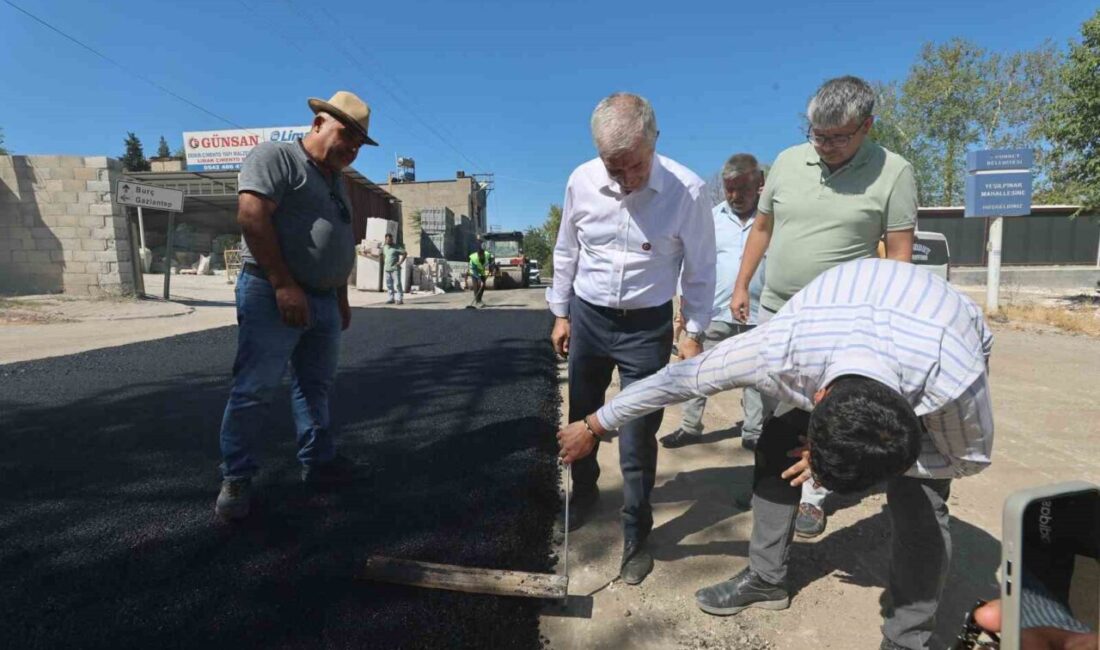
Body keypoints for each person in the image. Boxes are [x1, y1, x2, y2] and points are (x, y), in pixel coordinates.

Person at [558, 258, 994, 650]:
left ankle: (906, 638)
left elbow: (967, 459)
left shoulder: (953, 378)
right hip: (835, 326)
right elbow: (678, 381)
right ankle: (767, 579)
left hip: (933, 329)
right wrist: (594, 424)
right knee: (774, 448)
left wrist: (888, 464)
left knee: (921, 504)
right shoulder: (776, 351)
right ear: (817, 397)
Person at [729, 75, 918, 539]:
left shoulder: (894, 173)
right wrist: (741, 284)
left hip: (841, 321)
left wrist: (885, 322)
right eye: (818, 135)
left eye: (839, 137)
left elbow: (898, 256)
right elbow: (762, 230)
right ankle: (772, 487)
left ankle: (814, 494)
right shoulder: (789, 164)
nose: (826, 146)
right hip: (775, 311)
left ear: (868, 126)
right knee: (772, 407)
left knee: (823, 412)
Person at [547, 92, 715, 586]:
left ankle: (637, 534)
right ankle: (584, 493)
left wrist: (694, 332)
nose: (624, 180)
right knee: (582, 415)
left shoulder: (687, 190)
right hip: (589, 318)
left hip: (647, 327)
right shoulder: (581, 180)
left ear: (654, 140)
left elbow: (701, 269)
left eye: (634, 167)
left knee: (638, 437)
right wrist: (560, 313)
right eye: (613, 169)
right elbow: (565, 249)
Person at [214, 91, 377, 520]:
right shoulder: (277, 158)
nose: (352, 148)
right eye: (347, 135)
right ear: (319, 122)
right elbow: (251, 215)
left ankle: (318, 463)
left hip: (323, 301)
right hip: (273, 294)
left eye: (360, 143)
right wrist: (284, 284)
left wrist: (339, 295)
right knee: (254, 389)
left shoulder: (337, 181)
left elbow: (338, 240)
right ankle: (236, 479)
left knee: (314, 388)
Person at [660, 153, 766, 451]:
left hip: (759, 316)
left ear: (760, 184)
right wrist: (683, 310)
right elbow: (690, 264)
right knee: (698, 371)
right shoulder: (711, 219)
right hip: (714, 312)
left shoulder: (772, 221)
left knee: (756, 377)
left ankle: (754, 431)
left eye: (743, 188)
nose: (735, 196)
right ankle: (690, 426)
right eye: (729, 188)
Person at [467, 240, 494, 308]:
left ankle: (480, 300)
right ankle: (477, 301)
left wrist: (491, 266)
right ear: (478, 255)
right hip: (474, 272)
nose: (481, 257)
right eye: (480, 256)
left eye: (483, 256)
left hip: (482, 271)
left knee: (482, 286)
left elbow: (492, 259)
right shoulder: (473, 258)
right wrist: (479, 279)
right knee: (476, 286)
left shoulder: (487, 255)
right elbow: (474, 270)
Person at [382, 233, 406, 305]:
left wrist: (400, 262)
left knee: (398, 284)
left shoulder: (396, 247)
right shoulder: (385, 247)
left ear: (392, 239)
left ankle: (399, 299)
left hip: (395, 269)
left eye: (390, 239)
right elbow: (384, 256)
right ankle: (391, 298)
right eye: (387, 239)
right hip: (387, 269)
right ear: (385, 240)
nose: (388, 241)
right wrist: (385, 263)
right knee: (389, 285)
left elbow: (405, 253)